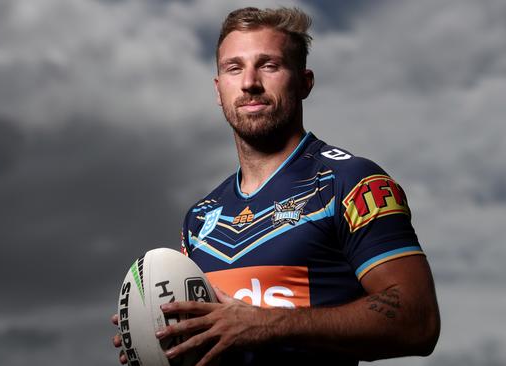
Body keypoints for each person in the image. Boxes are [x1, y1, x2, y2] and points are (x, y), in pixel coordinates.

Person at [112, 7, 440, 366]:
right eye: (233, 68)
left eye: (269, 65)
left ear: (304, 82)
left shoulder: (350, 182)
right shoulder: (200, 217)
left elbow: (418, 320)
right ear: (219, 88)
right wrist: (154, 341)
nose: (250, 82)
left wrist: (265, 324)